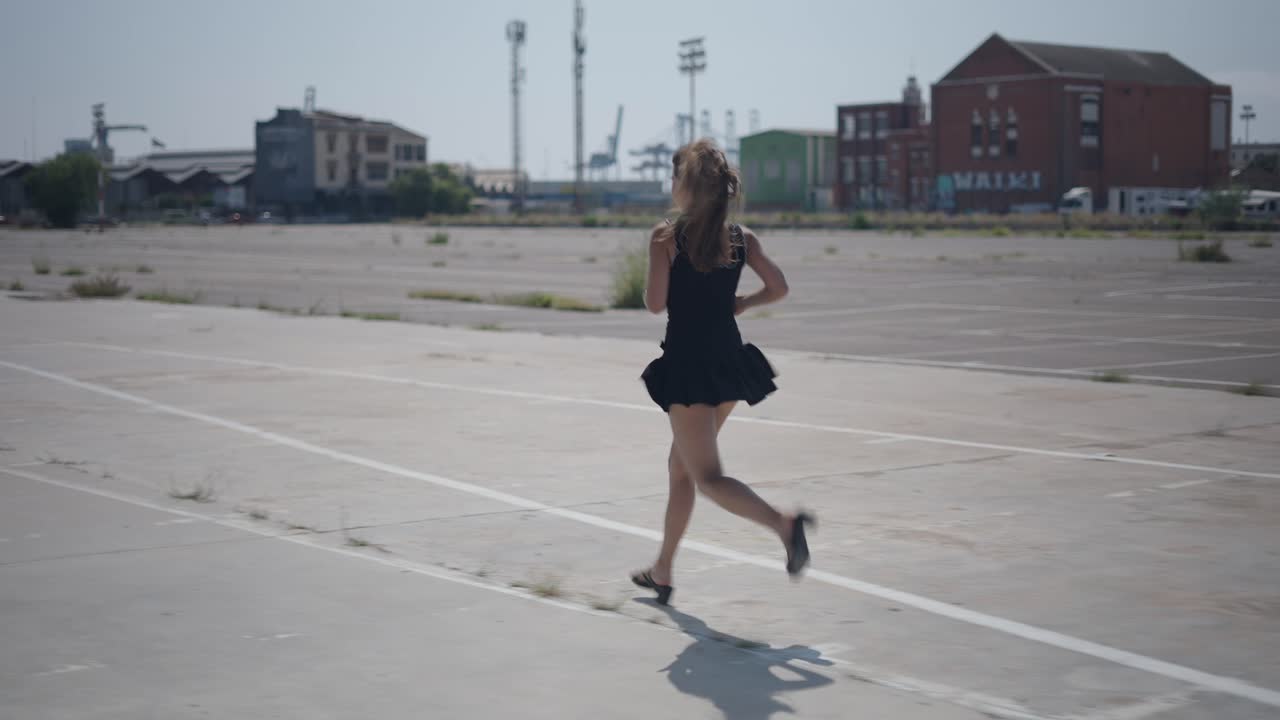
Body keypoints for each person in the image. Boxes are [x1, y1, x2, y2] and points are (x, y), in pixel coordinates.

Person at [632, 139, 813, 606]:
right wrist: (741, 303)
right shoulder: (740, 238)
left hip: (690, 369)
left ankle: (784, 525)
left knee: (707, 476)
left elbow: (654, 304)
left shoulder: (665, 237)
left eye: (674, 177)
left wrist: (661, 273)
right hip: (729, 364)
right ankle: (663, 570)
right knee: (680, 468)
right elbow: (779, 287)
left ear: (686, 185)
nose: (670, 186)